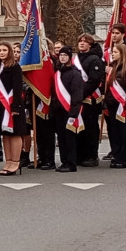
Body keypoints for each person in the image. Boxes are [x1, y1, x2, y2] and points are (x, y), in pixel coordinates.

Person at [0, 42, 26, 175]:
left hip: (12, 104)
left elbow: (17, 88)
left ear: (9, 52)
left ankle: (16, 162)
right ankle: (8, 161)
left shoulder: (15, 67)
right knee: (5, 134)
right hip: (0, 105)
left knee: (15, 133)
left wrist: (16, 106)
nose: (1, 53)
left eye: (4, 50)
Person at [104, 43, 126, 168]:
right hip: (113, 105)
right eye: (112, 52)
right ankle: (117, 157)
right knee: (116, 133)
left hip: (123, 105)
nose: (113, 54)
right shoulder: (113, 68)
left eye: (115, 52)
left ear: (122, 54)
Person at [51, 45, 84, 173]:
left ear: (70, 57)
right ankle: (64, 162)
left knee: (69, 138)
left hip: (69, 110)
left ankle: (71, 163)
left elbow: (77, 95)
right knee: (61, 138)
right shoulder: (58, 73)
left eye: (65, 55)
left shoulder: (75, 74)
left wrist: (73, 114)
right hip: (59, 111)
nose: (63, 57)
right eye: (61, 55)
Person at [74, 34, 106, 167]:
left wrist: (80, 94)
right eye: (80, 41)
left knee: (90, 128)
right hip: (77, 99)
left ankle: (91, 155)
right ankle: (80, 155)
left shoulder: (94, 59)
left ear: (90, 45)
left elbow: (94, 80)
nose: (82, 43)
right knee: (79, 127)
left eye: (85, 42)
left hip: (90, 99)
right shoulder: (75, 59)